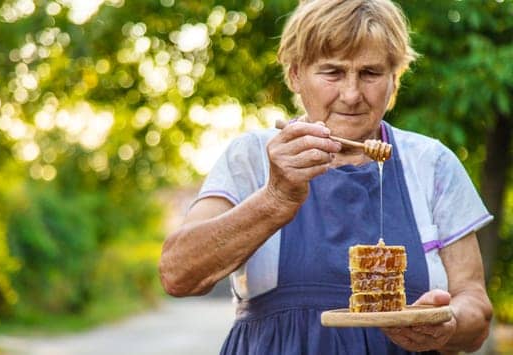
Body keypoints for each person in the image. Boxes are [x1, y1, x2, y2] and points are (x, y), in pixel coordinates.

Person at [158, 0, 494, 353]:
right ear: (295, 74)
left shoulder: (432, 164)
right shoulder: (252, 157)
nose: (351, 95)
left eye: (370, 73)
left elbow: (475, 307)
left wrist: (447, 323)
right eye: (332, 72)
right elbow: (178, 274)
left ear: (394, 80)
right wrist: (274, 198)